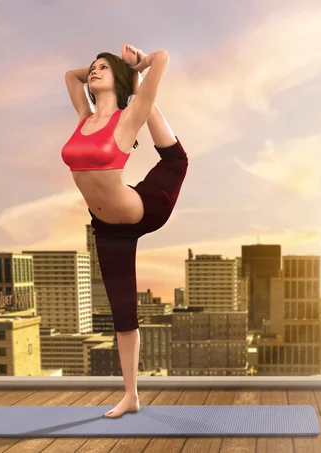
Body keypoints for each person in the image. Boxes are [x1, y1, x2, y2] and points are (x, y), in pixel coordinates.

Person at [61, 44, 188, 418]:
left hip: (146, 208)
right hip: (106, 226)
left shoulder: (128, 116)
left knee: (176, 160)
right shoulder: (83, 117)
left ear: (116, 79)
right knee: (122, 313)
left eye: (103, 68)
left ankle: (174, 153)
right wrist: (104, 68)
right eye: (93, 67)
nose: (93, 71)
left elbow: (163, 57)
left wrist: (136, 67)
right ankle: (131, 395)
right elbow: (71, 77)